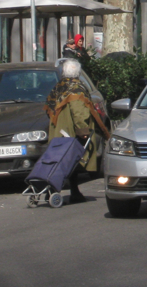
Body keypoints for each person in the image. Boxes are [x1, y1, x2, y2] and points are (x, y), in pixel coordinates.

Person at [44, 58, 109, 203]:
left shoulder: (59, 86)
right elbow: (79, 111)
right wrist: (83, 131)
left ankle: (66, 191)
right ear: (78, 73)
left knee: (60, 160)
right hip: (70, 131)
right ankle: (68, 191)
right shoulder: (76, 88)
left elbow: (48, 107)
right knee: (71, 160)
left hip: (58, 129)